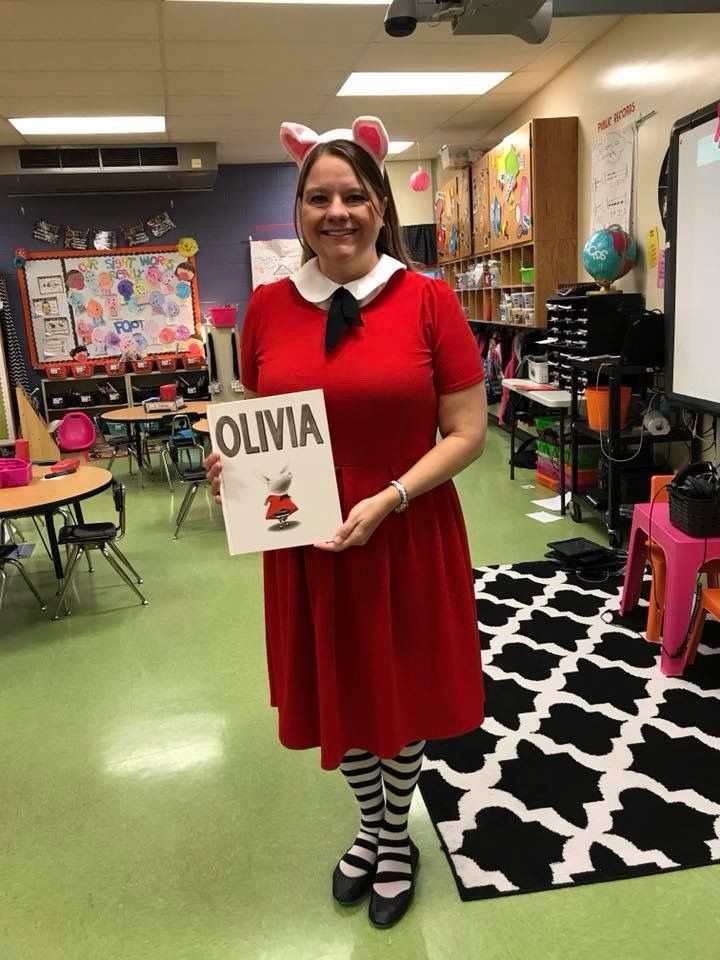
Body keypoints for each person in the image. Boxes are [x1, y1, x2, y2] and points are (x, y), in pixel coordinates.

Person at [204, 116, 488, 928]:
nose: (336, 211)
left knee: (398, 696)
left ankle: (394, 838)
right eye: (318, 197)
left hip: (403, 529)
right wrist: (235, 468)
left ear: (380, 205)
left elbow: (467, 432)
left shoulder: (429, 300)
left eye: (353, 195)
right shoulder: (266, 308)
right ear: (298, 211)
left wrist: (391, 496)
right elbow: (265, 419)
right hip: (307, 539)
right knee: (339, 694)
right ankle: (372, 825)